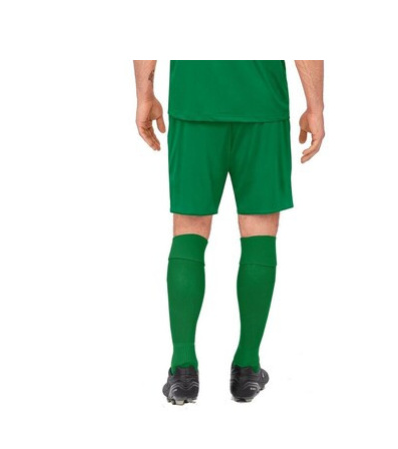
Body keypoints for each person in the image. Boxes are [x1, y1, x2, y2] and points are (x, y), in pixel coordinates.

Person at [133, 60, 325, 404]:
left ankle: (183, 369)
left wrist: (144, 93)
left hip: (194, 99)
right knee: (259, 230)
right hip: (262, 103)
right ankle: (247, 367)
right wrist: (316, 106)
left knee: (189, 229)